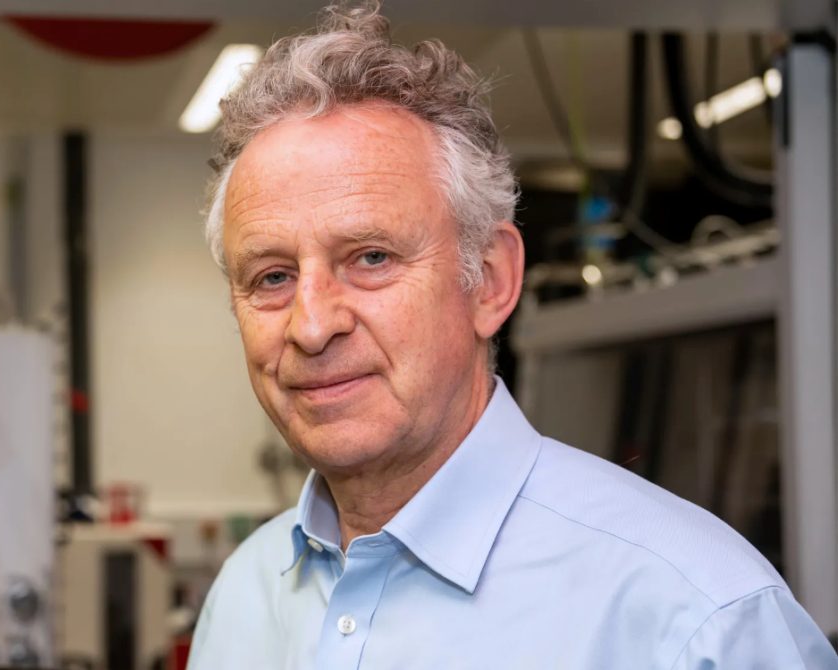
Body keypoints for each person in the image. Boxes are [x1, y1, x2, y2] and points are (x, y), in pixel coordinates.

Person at [188, 2, 838, 667]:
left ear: (490, 282)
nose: (312, 325)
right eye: (272, 277)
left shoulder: (698, 619)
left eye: (371, 258)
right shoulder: (244, 594)